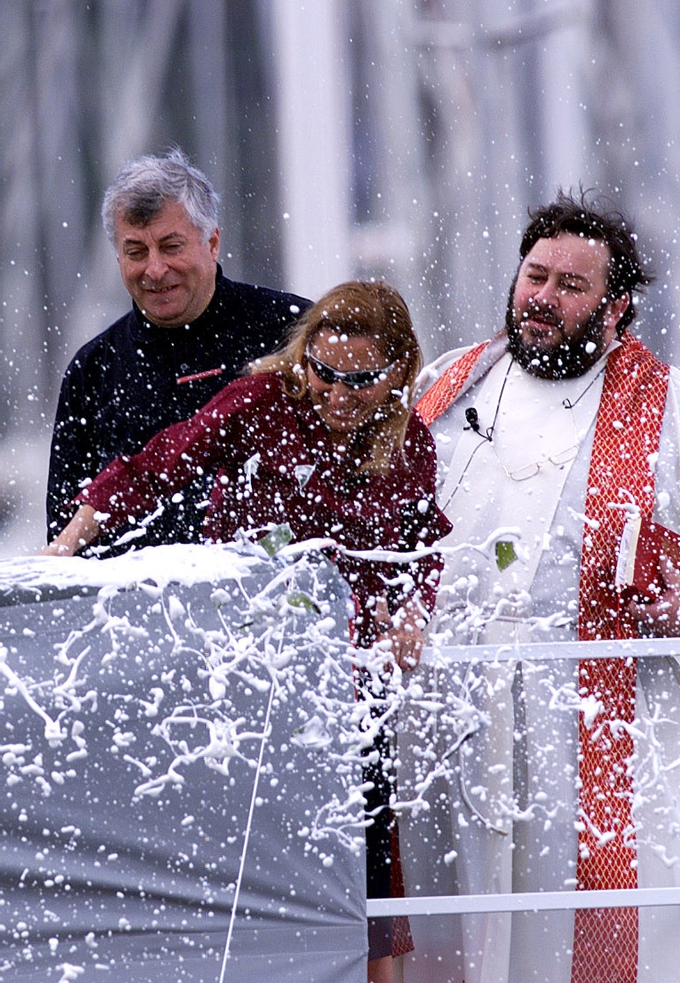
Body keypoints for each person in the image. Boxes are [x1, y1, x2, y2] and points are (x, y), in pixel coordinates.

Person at [44, 278, 453, 983]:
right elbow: (155, 466)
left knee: (364, 839)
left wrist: (413, 616)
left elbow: (424, 543)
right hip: (248, 662)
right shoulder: (264, 403)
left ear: (395, 374)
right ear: (304, 358)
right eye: (322, 372)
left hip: (351, 676)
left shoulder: (408, 442)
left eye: (357, 379)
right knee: (247, 846)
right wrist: (64, 548)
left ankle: (376, 973)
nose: (335, 393)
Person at [396, 189, 680, 983]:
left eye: (570, 286)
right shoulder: (449, 387)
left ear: (618, 311)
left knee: (571, 939)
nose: (542, 299)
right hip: (451, 717)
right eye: (534, 276)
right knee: (453, 938)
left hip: (596, 733)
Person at [46, 147, 309, 551]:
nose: (154, 269)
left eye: (171, 247)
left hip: (275, 599)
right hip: (125, 609)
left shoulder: (292, 330)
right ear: (118, 257)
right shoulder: (93, 370)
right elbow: (63, 539)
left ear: (213, 243)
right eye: (136, 252)